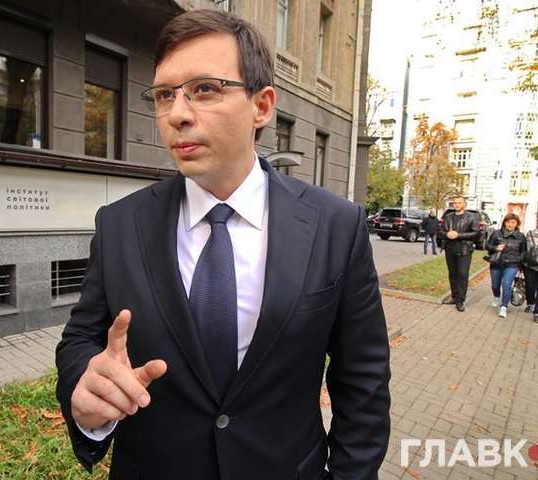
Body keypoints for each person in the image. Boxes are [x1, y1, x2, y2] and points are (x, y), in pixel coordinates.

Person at [55, 9, 391, 480]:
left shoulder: (336, 225)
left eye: (205, 89)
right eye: (165, 95)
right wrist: (84, 388)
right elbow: (82, 338)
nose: (177, 114)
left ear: (262, 105)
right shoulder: (120, 224)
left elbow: (363, 381)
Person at [440, 196, 480, 312]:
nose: (457, 205)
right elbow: (441, 231)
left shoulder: (471, 217)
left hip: (464, 249)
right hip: (450, 248)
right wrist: (447, 234)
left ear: (464, 204)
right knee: (452, 274)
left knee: (462, 274)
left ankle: (460, 300)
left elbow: (476, 233)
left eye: (459, 203)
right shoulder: (448, 217)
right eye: (455, 203)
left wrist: (459, 235)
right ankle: (454, 296)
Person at [486, 213, 526, 319]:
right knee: (495, 285)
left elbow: (523, 251)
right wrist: (495, 248)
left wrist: (519, 260)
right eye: (508, 222)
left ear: (517, 224)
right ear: (504, 223)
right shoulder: (496, 233)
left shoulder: (521, 236)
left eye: (513, 222)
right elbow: (487, 246)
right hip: (496, 263)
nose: (510, 224)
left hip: (512, 264)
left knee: (507, 284)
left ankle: (504, 307)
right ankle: (496, 296)